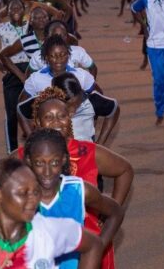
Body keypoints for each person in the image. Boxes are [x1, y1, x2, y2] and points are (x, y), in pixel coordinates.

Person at [0, 129, 125, 269]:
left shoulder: (79, 190)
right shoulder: (16, 196)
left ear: (64, 160)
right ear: (28, 161)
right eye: (39, 163)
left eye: (54, 162)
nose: (47, 171)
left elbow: (115, 212)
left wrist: (98, 249)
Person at [18, 88, 133, 269]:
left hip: (91, 237)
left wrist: (107, 212)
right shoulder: (22, 156)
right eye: (49, 117)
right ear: (38, 122)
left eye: (62, 116)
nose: (57, 122)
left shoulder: (87, 151)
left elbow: (125, 170)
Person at [0, 0, 30, 152]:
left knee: (33, 110)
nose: (15, 10)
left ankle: (34, 145)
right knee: (11, 112)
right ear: (7, 12)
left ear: (24, 10)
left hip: (31, 71)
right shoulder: (1, 28)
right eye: (12, 8)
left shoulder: (30, 27)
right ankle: (13, 150)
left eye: (19, 7)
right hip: (11, 72)